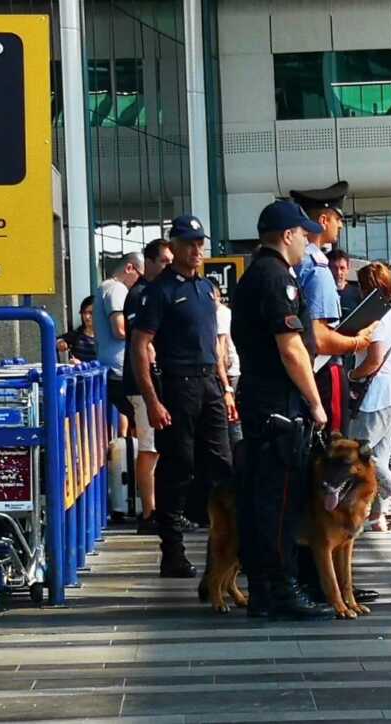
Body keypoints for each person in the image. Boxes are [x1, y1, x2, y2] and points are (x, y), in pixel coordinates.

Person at [230, 200, 331, 620]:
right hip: (277, 404)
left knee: (266, 496)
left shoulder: (262, 274)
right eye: (305, 236)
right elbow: (291, 348)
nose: (309, 243)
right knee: (279, 499)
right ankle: (278, 588)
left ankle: (270, 587)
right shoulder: (274, 279)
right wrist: (316, 402)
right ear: (287, 235)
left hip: (263, 399)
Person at [131, 215, 237, 578]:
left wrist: (224, 389)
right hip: (178, 385)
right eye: (189, 244)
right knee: (178, 467)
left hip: (209, 383)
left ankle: (229, 548)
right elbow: (140, 345)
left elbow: (214, 345)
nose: (196, 251)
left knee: (222, 465)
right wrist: (152, 400)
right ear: (172, 247)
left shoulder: (207, 289)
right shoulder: (159, 291)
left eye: (200, 244)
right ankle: (172, 550)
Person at [289, 181, 376, 435]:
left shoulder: (295, 261)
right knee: (334, 451)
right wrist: (360, 341)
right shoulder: (316, 267)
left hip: (301, 374)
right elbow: (320, 337)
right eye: (338, 218)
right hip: (324, 371)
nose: (340, 224)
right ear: (324, 220)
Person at [346, 263, 391, 531]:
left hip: (378, 395)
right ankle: (377, 516)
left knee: (359, 453)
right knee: (379, 454)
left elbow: (374, 360)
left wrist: (352, 375)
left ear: (367, 287)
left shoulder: (375, 316)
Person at [123, 238, 173, 534]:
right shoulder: (140, 294)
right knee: (149, 448)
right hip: (144, 383)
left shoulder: (158, 292)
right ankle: (148, 512)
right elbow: (141, 341)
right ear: (149, 262)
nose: (168, 265)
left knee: (158, 447)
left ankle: (158, 507)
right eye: (164, 261)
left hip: (159, 382)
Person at [93, 252, 144, 430]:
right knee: (144, 423)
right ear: (129, 268)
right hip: (121, 369)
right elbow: (120, 329)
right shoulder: (117, 289)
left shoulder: (104, 288)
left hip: (112, 366)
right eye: (140, 276)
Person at [209, 277, 243, 447]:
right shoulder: (225, 312)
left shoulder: (220, 314)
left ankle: (236, 457)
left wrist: (225, 383)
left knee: (230, 416)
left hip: (229, 373)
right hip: (232, 371)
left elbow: (220, 351)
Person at [58, 296, 97, 363]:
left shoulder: (107, 336)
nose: (87, 317)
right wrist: (60, 342)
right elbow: (55, 339)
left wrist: (81, 364)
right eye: (84, 313)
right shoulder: (76, 334)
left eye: (91, 313)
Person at [327, 248, 363, 317]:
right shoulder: (321, 293)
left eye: (342, 268)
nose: (338, 272)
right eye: (334, 268)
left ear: (348, 269)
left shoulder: (358, 294)